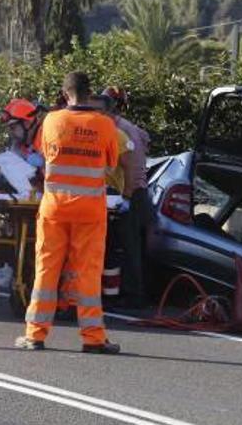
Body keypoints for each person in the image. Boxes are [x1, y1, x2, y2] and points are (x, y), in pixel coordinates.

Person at [15, 72, 122, 354]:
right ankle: (93, 338)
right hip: (90, 210)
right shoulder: (105, 125)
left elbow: (42, 156)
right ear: (91, 93)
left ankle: (35, 335)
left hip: (54, 208)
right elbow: (111, 166)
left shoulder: (51, 121)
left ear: (64, 94)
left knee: (46, 270)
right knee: (88, 274)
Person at [103, 87, 152, 309]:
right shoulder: (125, 128)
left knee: (129, 246)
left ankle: (135, 297)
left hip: (132, 193)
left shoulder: (122, 129)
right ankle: (114, 294)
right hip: (125, 193)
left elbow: (132, 168)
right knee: (116, 245)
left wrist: (127, 197)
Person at [90, 91, 135, 303]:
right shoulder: (86, 132)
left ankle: (109, 297)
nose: (94, 115)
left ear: (109, 113)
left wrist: (126, 197)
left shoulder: (117, 136)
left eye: (99, 111)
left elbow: (129, 167)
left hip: (110, 198)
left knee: (108, 250)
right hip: (88, 194)